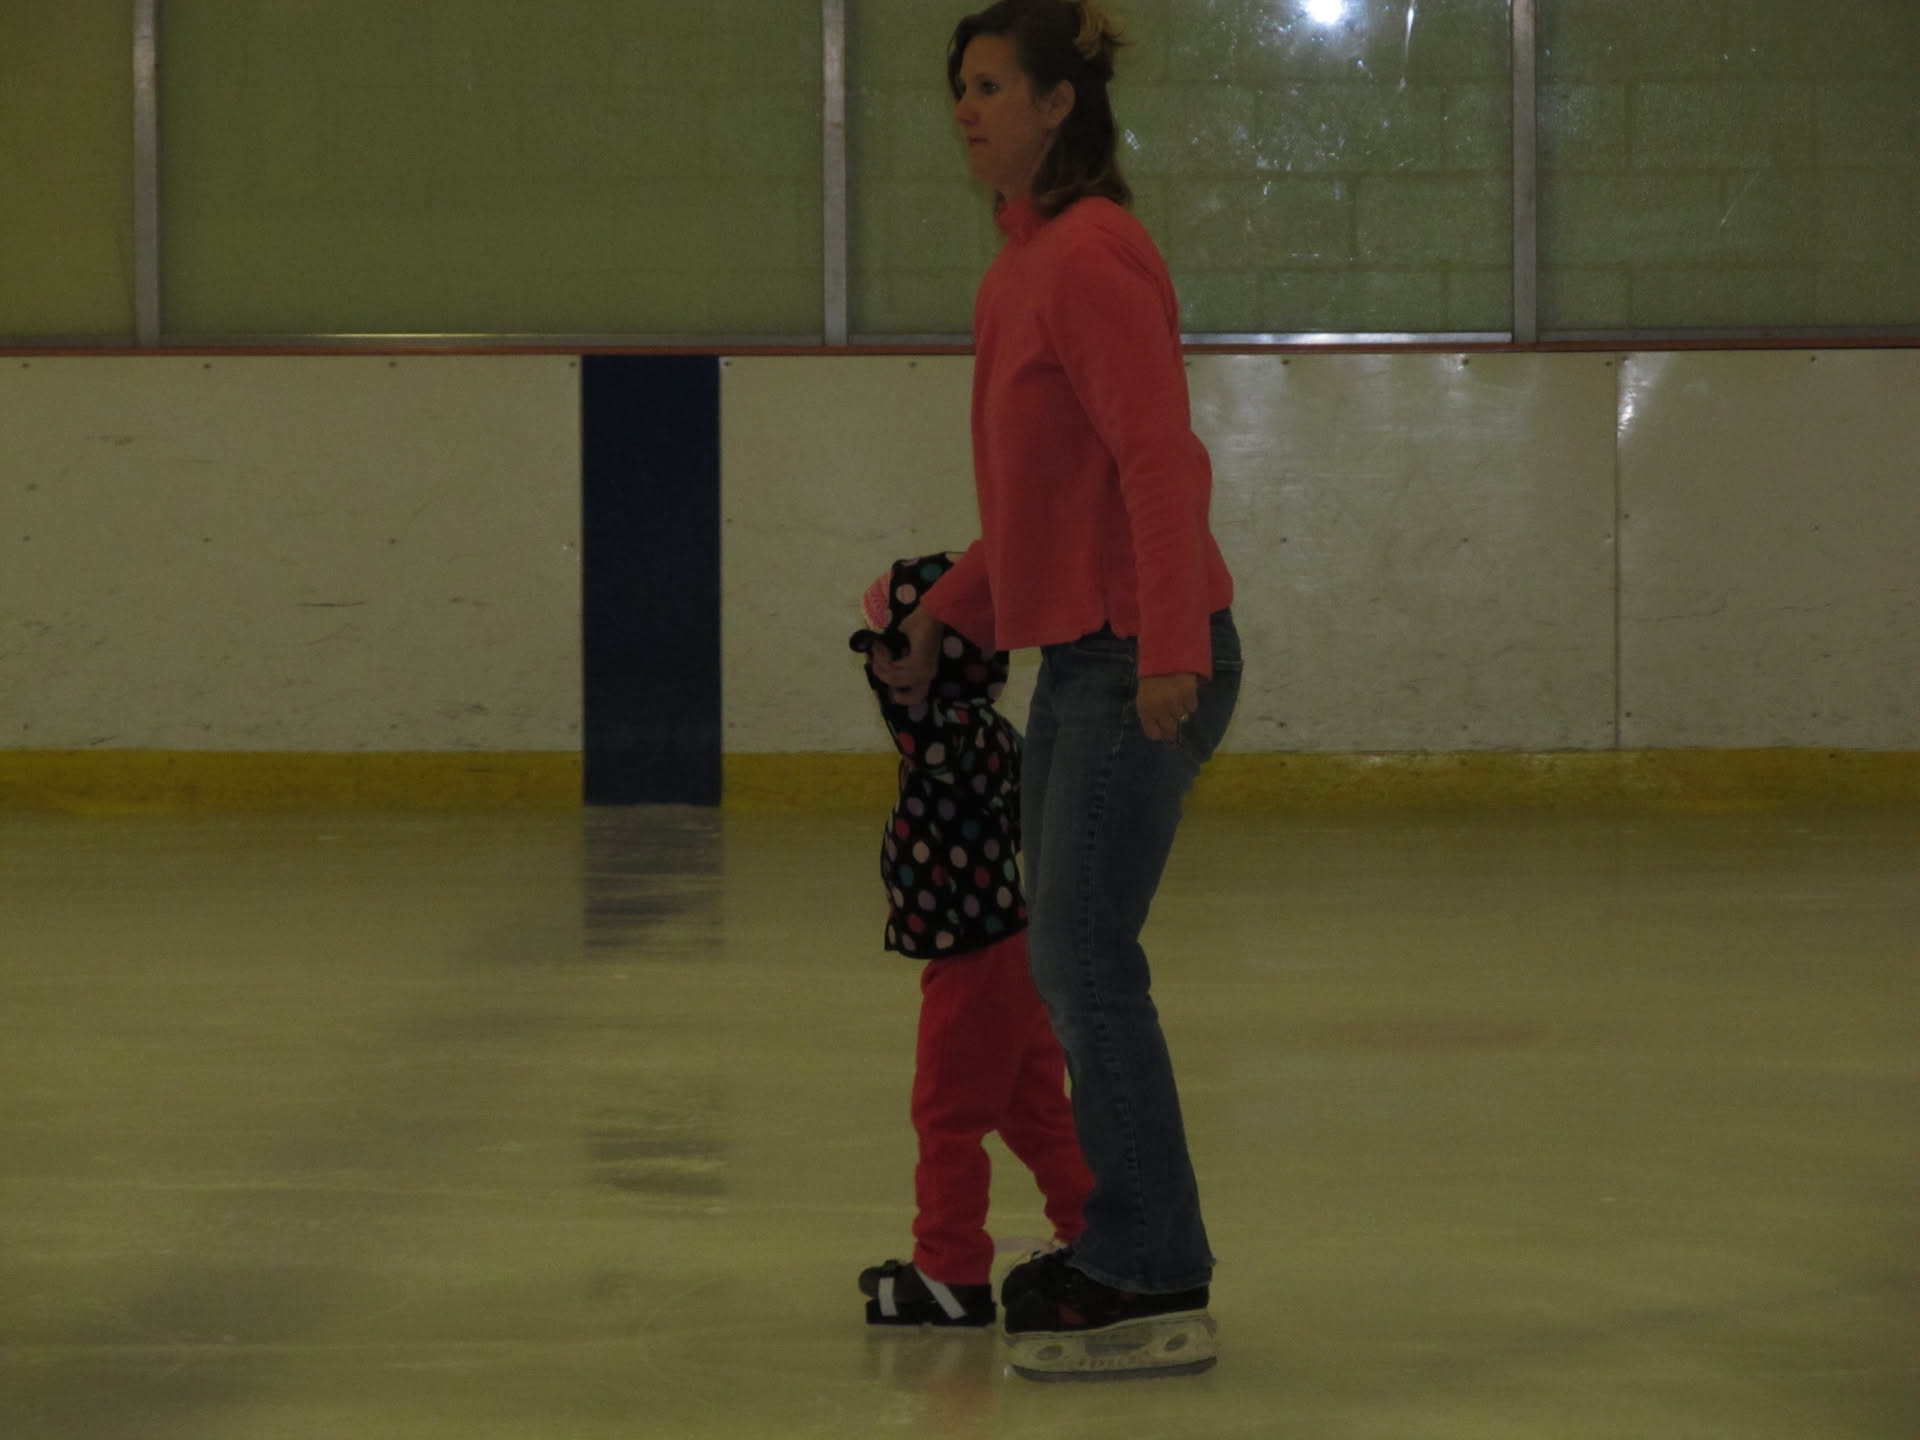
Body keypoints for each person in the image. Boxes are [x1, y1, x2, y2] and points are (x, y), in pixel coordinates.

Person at [870, 0, 1242, 1382]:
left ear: (1056, 105)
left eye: (989, 86)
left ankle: (1149, 1265)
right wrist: (941, 619)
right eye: (958, 88)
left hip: (1132, 654)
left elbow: (1157, 461)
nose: (966, 109)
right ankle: (1130, 1243)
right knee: (1067, 959)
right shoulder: (1018, 270)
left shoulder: (1089, 256)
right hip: (1086, 654)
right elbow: (1039, 510)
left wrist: (1170, 648)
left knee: (1083, 960)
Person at [851, 552, 1094, 1330]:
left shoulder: (945, 734)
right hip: (1010, 950)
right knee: (1034, 1110)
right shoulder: (989, 732)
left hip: (974, 958)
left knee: (946, 1116)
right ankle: (1095, 1234)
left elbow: (909, 711)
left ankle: (949, 1269)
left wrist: (898, 672)